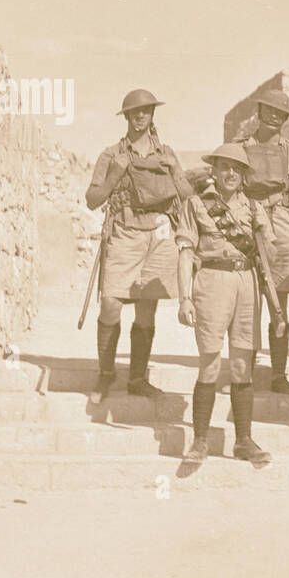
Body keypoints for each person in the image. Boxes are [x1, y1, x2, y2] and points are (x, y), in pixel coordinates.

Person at [84, 89, 192, 403]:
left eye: (145, 111)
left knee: (147, 310)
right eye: (134, 112)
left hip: (159, 234)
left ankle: (137, 378)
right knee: (111, 304)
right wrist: (113, 176)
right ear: (127, 117)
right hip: (125, 231)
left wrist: (174, 169)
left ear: (152, 115)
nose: (140, 117)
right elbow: (92, 200)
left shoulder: (167, 153)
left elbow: (187, 197)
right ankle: (106, 373)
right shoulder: (111, 154)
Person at [174, 143, 277, 465]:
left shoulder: (255, 207)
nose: (230, 174)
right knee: (210, 362)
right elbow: (186, 252)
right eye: (224, 167)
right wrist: (185, 297)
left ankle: (243, 440)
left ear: (244, 175)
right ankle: (201, 440)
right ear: (214, 171)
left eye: (237, 168)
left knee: (242, 364)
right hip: (212, 282)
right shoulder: (197, 205)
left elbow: (271, 254)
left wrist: (266, 237)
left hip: (247, 283)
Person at [234, 88, 289, 395]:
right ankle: (245, 373)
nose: (273, 116)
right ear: (259, 111)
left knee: (277, 302)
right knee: (248, 301)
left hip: (283, 223)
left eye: (280, 113)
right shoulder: (240, 149)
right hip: (248, 218)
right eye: (268, 110)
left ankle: (278, 375)